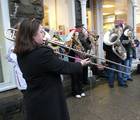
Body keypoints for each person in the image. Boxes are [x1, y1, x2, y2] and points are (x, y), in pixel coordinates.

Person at [13, 18, 90, 120]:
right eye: (41, 32)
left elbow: (46, 65)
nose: (44, 35)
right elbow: (62, 66)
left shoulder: (21, 53)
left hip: (34, 99)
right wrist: (80, 64)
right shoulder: (42, 53)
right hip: (48, 100)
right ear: (32, 36)